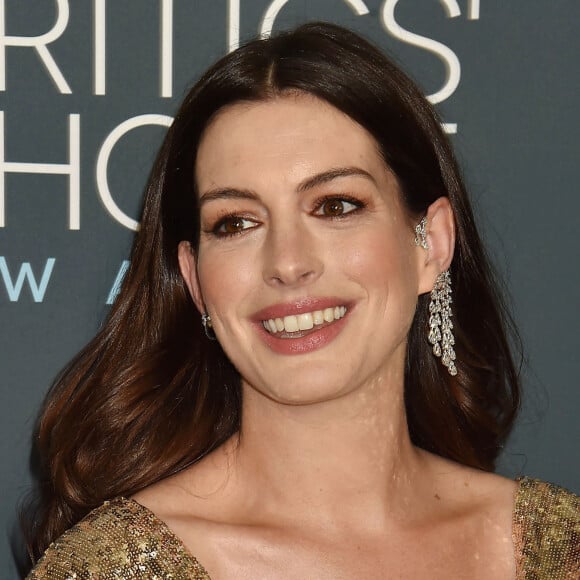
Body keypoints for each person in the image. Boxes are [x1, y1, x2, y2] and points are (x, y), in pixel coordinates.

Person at [24, 22, 577, 579]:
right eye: (236, 222)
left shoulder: (554, 549)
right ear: (194, 280)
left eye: (335, 205)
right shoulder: (108, 568)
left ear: (429, 243)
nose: (287, 263)